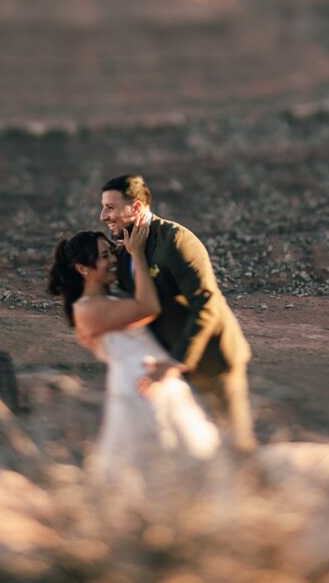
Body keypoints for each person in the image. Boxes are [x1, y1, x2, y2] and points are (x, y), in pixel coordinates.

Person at [94, 174, 257, 454]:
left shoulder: (177, 241)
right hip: (170, 369)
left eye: (110, 207)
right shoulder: (125, 251)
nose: (102, 216)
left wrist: (177, 362)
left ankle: (259, 496)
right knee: (199, 448)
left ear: (135, 208)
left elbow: (206, 304)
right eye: (103, 207)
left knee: (235, 444)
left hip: (211, 361)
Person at [48, 223, 220, 482]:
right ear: (84, 269)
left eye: (111, 252)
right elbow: (148, 307)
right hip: (137, 387)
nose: (112, 260)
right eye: (104, 256)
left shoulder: (115, 296)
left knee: (188, 457)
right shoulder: (86, 310)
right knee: (153, 462)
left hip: (158, 378)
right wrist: (137, 253)